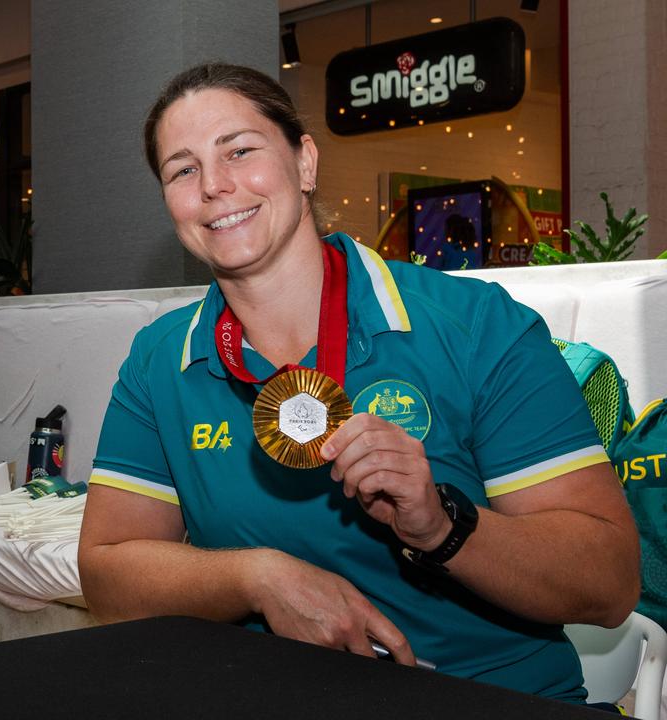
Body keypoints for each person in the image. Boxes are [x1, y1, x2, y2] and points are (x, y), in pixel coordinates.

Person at [78, 62, 639, 703]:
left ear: (305, 162)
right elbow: (107, 575)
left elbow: (609, 582)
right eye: (183, 169)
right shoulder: (162, 359)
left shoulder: (476, 325)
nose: (214, 185)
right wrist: (259, 577)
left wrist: (441, 525)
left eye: (239, 150)